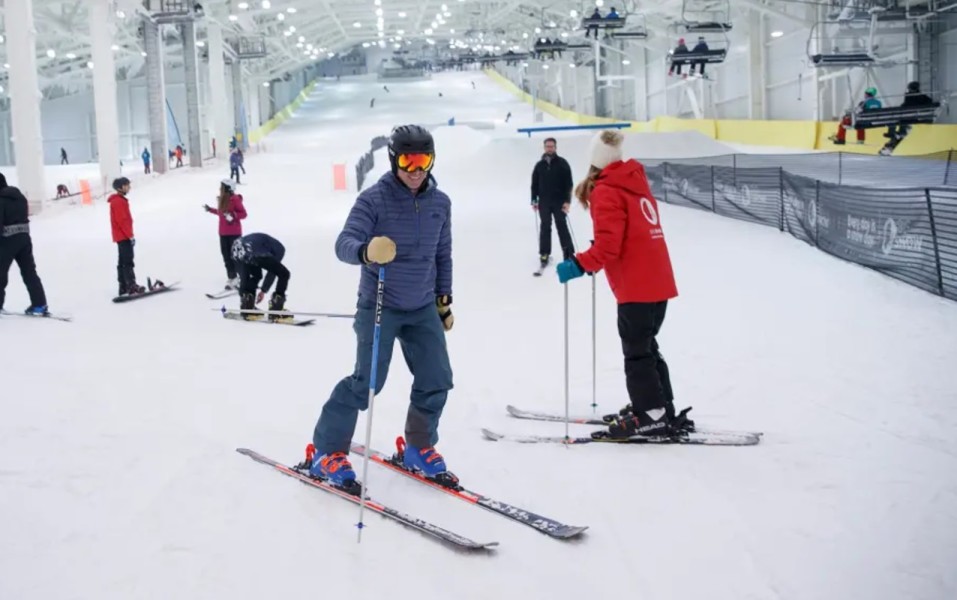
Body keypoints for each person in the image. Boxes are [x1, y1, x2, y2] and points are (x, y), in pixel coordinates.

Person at [309, 124, 455, 490]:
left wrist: (443, 299)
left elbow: (442, 254)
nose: (416, 169)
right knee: (367, 382)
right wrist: (366, 251)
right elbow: (344, 242)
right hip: (380, 303)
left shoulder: (440, 203)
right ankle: (327, 452)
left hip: (421, 305)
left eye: (424, 160)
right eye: (408, 159)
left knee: (436, 377)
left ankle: (419, 446)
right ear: (394, 160)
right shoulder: (374, 200)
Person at [556, 130, 686, 437]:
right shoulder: (634, 184)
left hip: (637, 286)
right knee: (647, 347)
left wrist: (577, 264)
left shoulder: (607, 190)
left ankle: (651, 414)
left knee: (637, 352)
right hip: (657, 283)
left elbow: (608, 249)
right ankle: (658, 405)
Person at [0, 172, 49, 315]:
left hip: (6, 241)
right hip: (24, 238)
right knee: (29, 272)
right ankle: (39, 305)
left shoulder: (1, 200)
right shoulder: (20, 197)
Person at [531, 137, 575, 268]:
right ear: (544, 148)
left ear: (555, 148)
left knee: (562, 227)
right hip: (544, 202)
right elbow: (534, 184)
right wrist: (534, 200)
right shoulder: (539, 166)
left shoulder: (563, 163)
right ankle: (544, 254)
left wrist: (567, 201)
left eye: (551, 146)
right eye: (547, 146)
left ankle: (568, 253)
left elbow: (569, 184)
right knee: (545, 227)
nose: (549, 148)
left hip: (559, 202)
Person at [231, 233, 290, 321]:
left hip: (236, 248)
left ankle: (247, 306)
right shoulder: (280, 249)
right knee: (284, 274)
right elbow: (272, 272)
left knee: (256, 275)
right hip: (250, 249)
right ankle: (276, 310)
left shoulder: (263, 242)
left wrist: (242, 292)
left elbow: (244, 274)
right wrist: (263, 290)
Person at [204, 179, 247, 289]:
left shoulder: (235, 199)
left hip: (234, 233)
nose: (220, 189)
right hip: (223, 233)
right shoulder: (222, 199)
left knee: (236, 257)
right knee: (226, 256)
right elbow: (220, 213)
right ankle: (232, 277)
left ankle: (242, 277)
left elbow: (244, 214)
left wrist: (233, 215)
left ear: (228, 188)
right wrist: (210, 209)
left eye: (222, 187)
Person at [108, 177, 146, 296]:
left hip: (121, 236)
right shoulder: (119, 202)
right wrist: (130, 236)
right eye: (127, 185)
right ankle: (131, 285)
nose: (129, 187)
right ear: (120, 187)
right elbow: (122, 220)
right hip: (124, 236)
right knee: (127, 261)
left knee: (123, 261)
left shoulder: (118, 200)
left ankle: (123, 286)